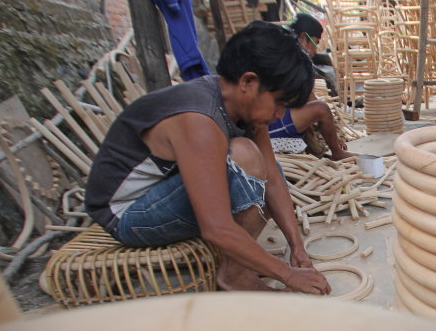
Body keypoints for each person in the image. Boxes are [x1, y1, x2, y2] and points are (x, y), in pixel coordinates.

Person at [84, 22, 331, 295]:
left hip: (162, 195)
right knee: (245, 158)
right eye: (280, 103)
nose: (282, 115)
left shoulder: (243, 107)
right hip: (126, 214)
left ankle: (237, 266)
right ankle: (235, 275)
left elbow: (272, 178)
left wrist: (297, 247)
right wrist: (287, 275)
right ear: (248, 82)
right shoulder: (200, 119)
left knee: (262, 168)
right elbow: (215, 227)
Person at [267, 14, 356, 160]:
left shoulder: (284, 52)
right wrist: (333, 137)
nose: (315, 50)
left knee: (310, 121)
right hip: (271, 121)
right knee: (321, 109)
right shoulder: (294, 59)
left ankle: (315, 152)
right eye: (315, 43)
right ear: (303, 37)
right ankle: (337, 153)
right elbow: (312, 101)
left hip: (273, 117)